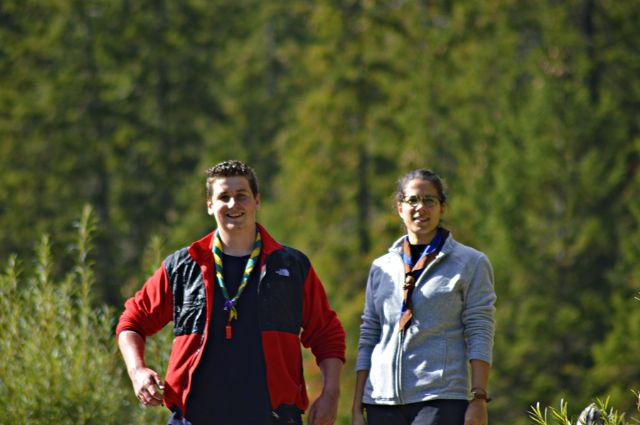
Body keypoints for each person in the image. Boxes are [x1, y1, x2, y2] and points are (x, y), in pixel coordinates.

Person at [116, 160, 346, 425]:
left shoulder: (291, 266)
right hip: (194, 418)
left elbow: (326, 333)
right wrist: (137, 371)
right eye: (223, 197)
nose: (233, 204)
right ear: (210, 205)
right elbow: (131, 322)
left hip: (273, 418)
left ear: (257, 201)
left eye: (241, 195)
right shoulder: (183, 266)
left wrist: (330, 394)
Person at [351, 169, 496, 425]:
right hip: (380, 401)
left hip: (440, 399)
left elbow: (480, 330)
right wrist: (356, 407)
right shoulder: (381, 267)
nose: (421, 207)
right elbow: (369, 335)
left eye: (429, 200)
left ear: (442, 208)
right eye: (412, 200)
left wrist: (479, 397)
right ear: (400, 208)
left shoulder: (471, 263)